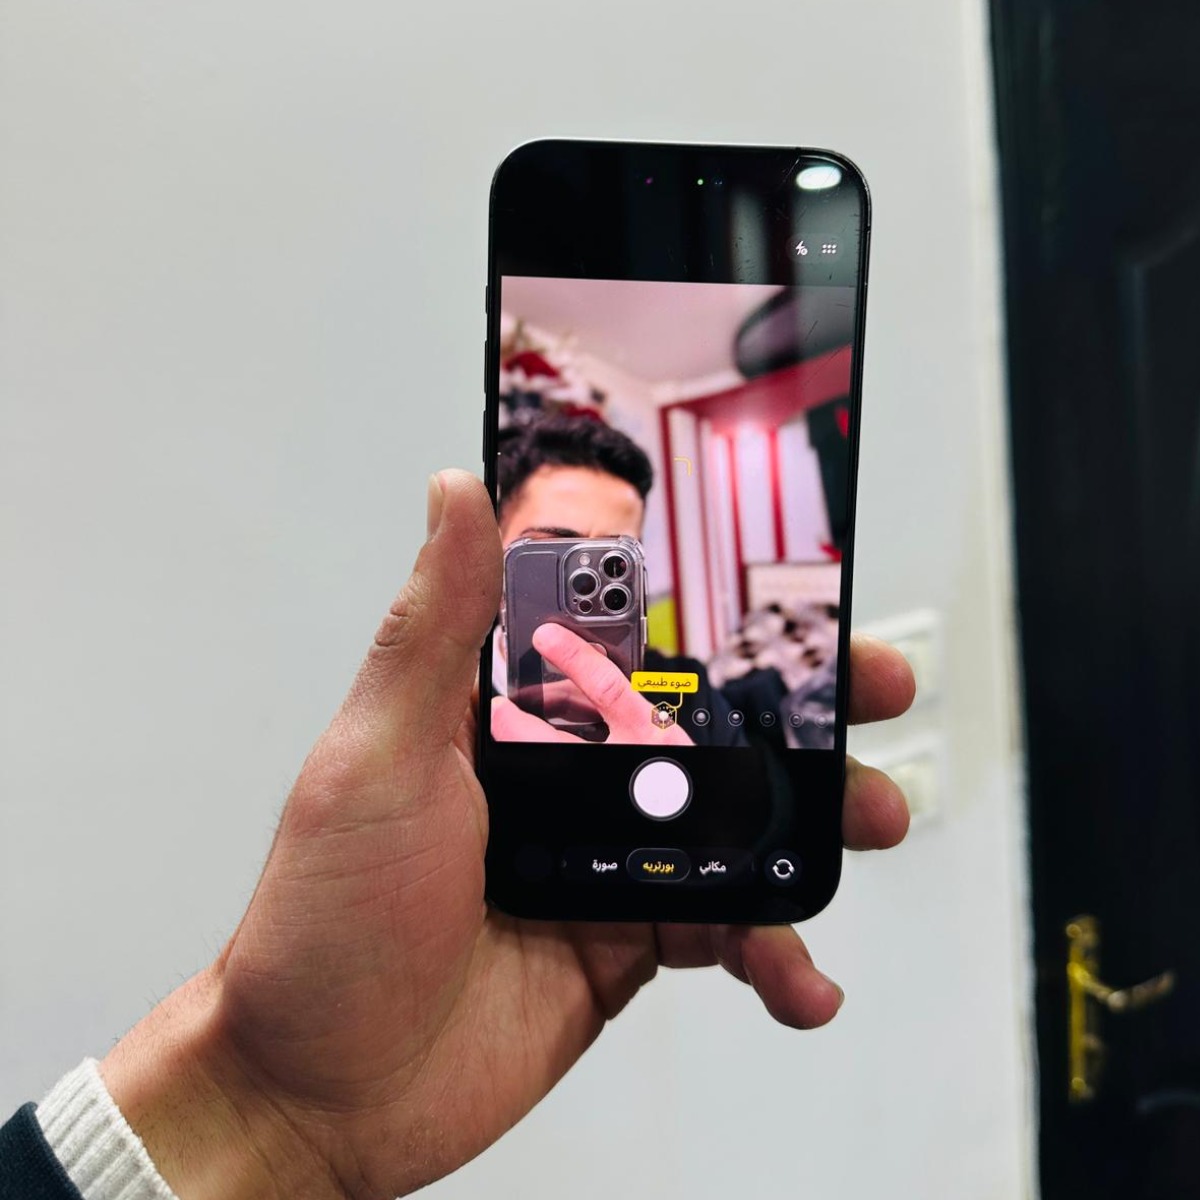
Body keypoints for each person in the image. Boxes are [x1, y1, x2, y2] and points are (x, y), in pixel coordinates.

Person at [0, 470, 915, 1200]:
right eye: (557, 553)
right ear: (495, 566)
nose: (592, 587)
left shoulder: (681, 694)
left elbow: (764, 804)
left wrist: (732, 807)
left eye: (616, 562)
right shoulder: (451, 748)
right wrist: (264, 1098)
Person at [490, 415, 746, 746]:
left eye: (612, 561)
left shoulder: (687, 687)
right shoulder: (449, 695)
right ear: (494, 549)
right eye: (549, 549)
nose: (584, 585)